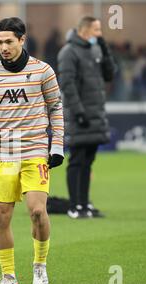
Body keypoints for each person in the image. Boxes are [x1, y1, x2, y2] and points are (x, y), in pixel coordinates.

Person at [0, 17, 64, 284]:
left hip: (36, 151)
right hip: (4, 153)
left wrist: (57, 145)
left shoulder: (43, 71)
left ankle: (40, 266)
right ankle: (8, 277)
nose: (3, 47)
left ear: (22, 40)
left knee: (38, 211)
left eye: (8, 42)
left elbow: (56, 108)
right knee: (1, 214)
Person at [57, 16, 117, 219]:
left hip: (95, 114)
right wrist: (78, 112)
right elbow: (67, 85)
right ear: (84, 30)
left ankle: (85, 203)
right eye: (97, 30)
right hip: (79, 116)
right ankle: (75, 206)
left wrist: (105, 48)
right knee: (77, 160)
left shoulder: (96, 49)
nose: (100, 34)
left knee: (88, 161)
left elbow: (110, 74)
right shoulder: (68, 52)